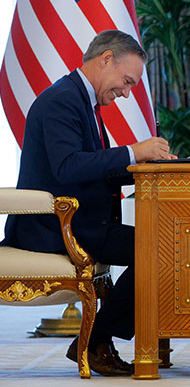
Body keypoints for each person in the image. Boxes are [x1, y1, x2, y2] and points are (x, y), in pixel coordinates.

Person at [2, 30, 175, 376]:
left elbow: (93, 171)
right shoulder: (61, 101)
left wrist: (147, 168)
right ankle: (96, 342)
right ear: (106, 59)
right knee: (160, 250)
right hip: (54, 228)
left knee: (165, 246)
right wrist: (133, 151)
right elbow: (68, 167)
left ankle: (99, 341)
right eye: (127, 81)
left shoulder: (81, 100)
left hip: (84, 224)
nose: (126, 93)